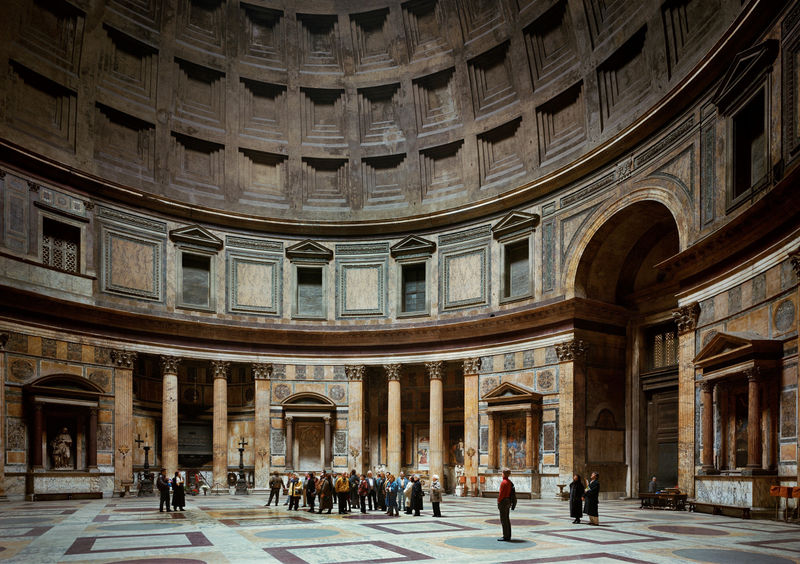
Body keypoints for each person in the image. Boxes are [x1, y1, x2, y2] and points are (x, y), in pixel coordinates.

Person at [497, 467, 516, 541]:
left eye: (502, 473)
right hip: (508, 501)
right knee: (507, 519)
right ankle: (508, 535)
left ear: (504, 474)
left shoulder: (503, 482)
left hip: (503, 501)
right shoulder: (509, 482)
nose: (501, 474)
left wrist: (499, 501)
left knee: (503, 520)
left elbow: (501, 494)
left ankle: (505, 536)